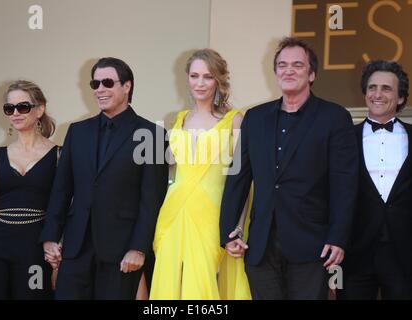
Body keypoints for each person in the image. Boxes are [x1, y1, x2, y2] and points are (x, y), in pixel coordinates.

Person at [220, 37, 359, 300]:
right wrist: (228, 230)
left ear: (312, 73)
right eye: (282, 65)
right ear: (275, 73)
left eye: (297, 64)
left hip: (312, 246)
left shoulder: (334, 117)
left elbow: (345, 184)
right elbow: (238, 176)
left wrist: (338, 237)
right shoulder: (255, 118)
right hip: (261, 245)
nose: (289, 70)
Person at [41, 57, 168, 299]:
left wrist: (139, 248)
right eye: (95, 83)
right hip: (76, 248)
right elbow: (61, 190)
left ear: (127, 86)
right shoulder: (77, 132)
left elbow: (152, 199)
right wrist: (50, 236)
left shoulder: (152, 134)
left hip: (121, 252)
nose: (99, 89)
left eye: (107, 82)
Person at [150, 49, 251, 300]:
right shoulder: (179, 119)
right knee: (170, 288)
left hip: (213, 215)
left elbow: (242, 182)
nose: (200, 83)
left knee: (203, 288)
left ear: (218, 80)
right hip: (172, 213)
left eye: (207, 76)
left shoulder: (234, 120)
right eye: (194, 76)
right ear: (187, 79)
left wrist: (237, 227)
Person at [0, 80, 57, 299]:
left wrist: (59, 252)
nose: (15, 113)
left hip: (35, 245)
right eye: (9, 108)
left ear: (39, 109)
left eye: (22, 107)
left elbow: (63, 206)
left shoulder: (59, 155)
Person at [337, 60, 412, 300]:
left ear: (400, 98)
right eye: (372, 87)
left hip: (405, 252)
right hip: (356, 251)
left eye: (386, 88)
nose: (377, 94)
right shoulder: (344, 138)